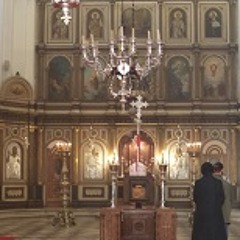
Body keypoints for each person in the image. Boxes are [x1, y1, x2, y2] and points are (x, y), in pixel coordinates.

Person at [192, 162, 227, 240]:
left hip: (201, 214)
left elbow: (195, 198)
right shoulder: (218, 183)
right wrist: (216, 207)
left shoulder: (198, 183)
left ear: (202, 171)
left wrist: (202, 206)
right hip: (215, 214)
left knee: (201, 235)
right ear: (212, 170)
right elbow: (222, 198)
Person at [213, 161, 232, 238]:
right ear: (221, 170)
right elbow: (231, 198)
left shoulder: (210, 182)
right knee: (224, 234)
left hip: (213, 213)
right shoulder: (227, 183)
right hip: (225, 213)